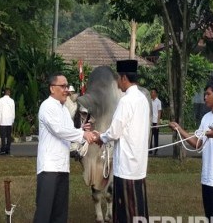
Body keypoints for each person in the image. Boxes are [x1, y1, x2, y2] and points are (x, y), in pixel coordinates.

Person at [169, 80, 213, 223]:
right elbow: (197, 144)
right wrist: (179, 129)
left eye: (208, 94)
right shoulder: (206, 118)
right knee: (209, 217)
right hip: (207, 177)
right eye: (205, 94)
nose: (205, 97)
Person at [92, 60, 150, 222]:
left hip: (126, 165)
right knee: (138, 206)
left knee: (126, 209)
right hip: (138, 164)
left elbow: (114, 131)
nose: (117, 82)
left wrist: (100, 137)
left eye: (118, 78)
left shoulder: (126, 101)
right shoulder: (142, 99)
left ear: (124, 78)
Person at [33, 73, 94, 223]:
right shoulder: (47, 106)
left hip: (63, 167)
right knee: (44, 211)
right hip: (49, 167)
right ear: (52, 88)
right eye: (63, 86)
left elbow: (69, 131)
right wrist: (82, 134)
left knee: (60, 212)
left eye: (67, 86)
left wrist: (82, 129)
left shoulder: (64, 110)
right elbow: (59, 130)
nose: (66, 90)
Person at [0, 88, 15, 155]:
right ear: (9, 93)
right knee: (9, 136)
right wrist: (12, 121)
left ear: (4, 93)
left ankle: (3, 149)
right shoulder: (12, 101)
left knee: (3, 136)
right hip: (9, 121)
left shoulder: (0, 100)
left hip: (2, 121)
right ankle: (8, 150)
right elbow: (13, 112)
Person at [149, 88, 162, 155]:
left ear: (156, 94)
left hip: (155, 122)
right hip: (150, 122)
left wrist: (158, 122)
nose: (151, 93)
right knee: (150, 136)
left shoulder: (158, 102)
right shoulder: (150, 101)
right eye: (151, 92)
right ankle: (150, 149)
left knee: (155, 137)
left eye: (153, 92)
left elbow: (159, 112)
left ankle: (156, 149)